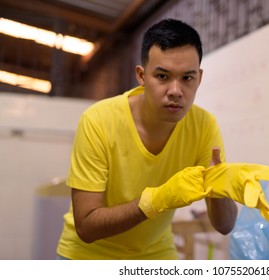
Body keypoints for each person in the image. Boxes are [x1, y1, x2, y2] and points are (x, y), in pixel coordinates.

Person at [56, 18, 239, 260]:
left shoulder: (204, 126)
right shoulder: (98, 121)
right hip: (87, 256)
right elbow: (86, 226)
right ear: (141, 76)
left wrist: (220, 188)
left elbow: (224, 226)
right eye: (162, 76)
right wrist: (155, 200)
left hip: (155, 254)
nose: (176, 90)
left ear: (199, 78)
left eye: (187, 78)